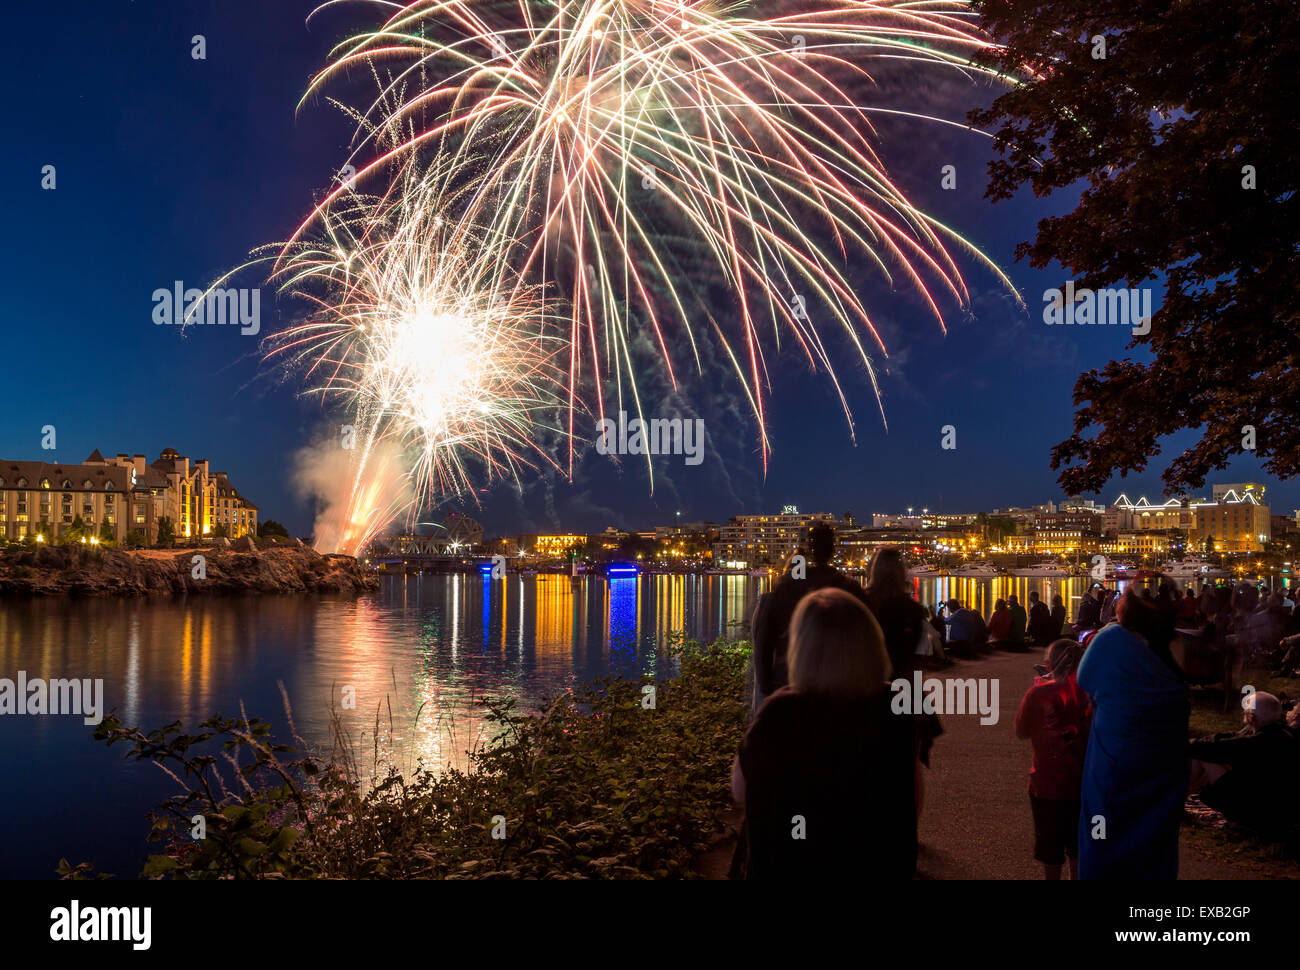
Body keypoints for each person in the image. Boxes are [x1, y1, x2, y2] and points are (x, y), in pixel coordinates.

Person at [732, 587, 916, 879]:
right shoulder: (894, 709)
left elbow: (740, 790)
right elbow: (910, 800)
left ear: (800, 648)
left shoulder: (779, 713)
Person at [1076, 588, 1189, 879]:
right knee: (1156, 835)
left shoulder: (1111, 639)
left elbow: (1084, 679)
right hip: (1166, 759)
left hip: (1117, 754)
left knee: (1103, 831)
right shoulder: (1174, 644)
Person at [862, 546, 945, 817]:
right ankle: (908, 827)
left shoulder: (861, 604)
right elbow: (918, 662)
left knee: (867, 763)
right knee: (909, 767)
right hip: (904, 694)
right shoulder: (913, 611)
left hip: (865, 693)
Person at [751, 523, 867, 709]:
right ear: (832, 549)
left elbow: (764, 642)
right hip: (840, 687)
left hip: (791, 683)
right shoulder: (850, 589)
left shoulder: (786, 589)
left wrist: (766, 688)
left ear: (811, 550)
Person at [1015, 639, 1092, 879]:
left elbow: (1021, 731)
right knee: (1078, 845)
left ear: (1049, 665)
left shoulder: (1037, 694)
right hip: (1083, 785)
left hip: (1045, 786)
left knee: (1050, 848)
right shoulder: (1090, 694)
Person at [1188, 691, 1300, 837]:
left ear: (1251, 717)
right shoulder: (1279, 734)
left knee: (1205, 755)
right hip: (1281, 811)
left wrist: (1188, 744)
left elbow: (1216, 747)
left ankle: (1174, 799)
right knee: (1207, 751)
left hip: (1261, 814)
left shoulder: (1261, 742)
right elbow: (1231, 738)